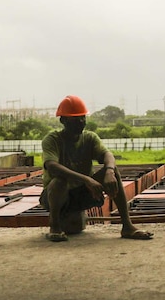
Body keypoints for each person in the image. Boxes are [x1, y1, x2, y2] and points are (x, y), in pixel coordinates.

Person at [40, 95, 153, 242]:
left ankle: (127, 226)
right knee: (59, 181)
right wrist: (87, 179)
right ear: (63, 121)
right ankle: (54, 226)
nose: (81, 122)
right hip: (57, 197)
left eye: (83, 118)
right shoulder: (52, 140)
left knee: (114, 173)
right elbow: (52, 166)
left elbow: (107, 155)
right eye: (76, 119)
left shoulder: (89, 138)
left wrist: (110, 171)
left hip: (83, 193)